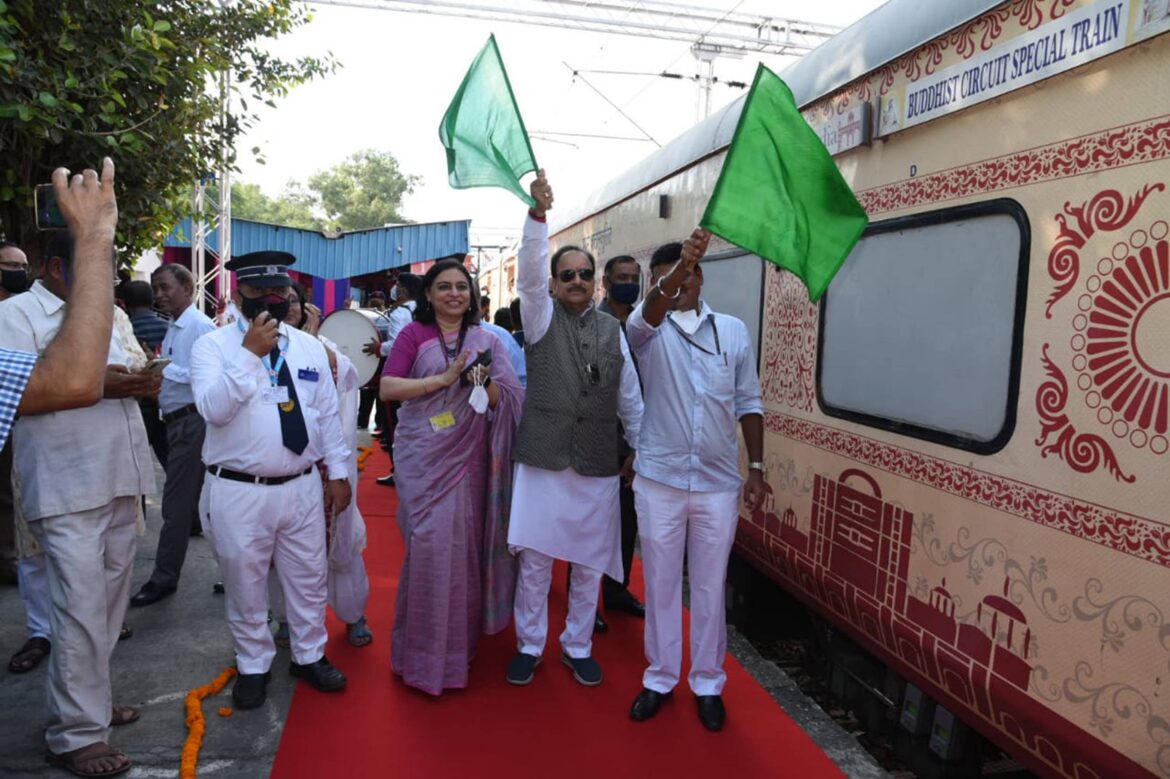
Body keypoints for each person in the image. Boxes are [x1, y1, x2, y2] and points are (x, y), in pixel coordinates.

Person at [0, 159, 159, 777]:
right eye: (94, 263)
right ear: (54, 267)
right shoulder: (13, 318)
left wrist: (144, 380)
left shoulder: (113, 313)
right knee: (78, 607)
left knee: (108, 610)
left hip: (121, 475)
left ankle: (87, 704)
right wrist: (110, 383)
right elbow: (55, 386)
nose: (105, 278)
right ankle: (74, 735)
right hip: (65, 484)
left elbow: (127, 369)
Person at [190, 251, 352, 711]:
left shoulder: (307, 347)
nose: (270, 300)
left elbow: (324, 416)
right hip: (238, 489)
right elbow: (213, 410)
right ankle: (253, 664)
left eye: (278, 293)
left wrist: (337, 473)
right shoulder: (213, 347)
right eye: (258, 293)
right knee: (245, 582)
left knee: (307, 577)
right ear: (238, 295)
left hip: (301, 485)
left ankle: (309, 654)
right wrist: (249, 355)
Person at [625, 232, 768, 732]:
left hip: (716, 486)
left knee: (709, 587)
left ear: (702, 278)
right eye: (670, 278)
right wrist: (672, 270)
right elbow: (646, 316)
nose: (681, 284)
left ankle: (707, 682)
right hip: (660, 481)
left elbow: (749, 401)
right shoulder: (647, 331)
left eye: (689, 275)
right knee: (662, 585)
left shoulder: (732, 332)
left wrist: (756, 468)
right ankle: (660, 677)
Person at [505, 171, 642, 688]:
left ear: (596, 282)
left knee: (588, 565)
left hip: (596, 463)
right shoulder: (538, 318)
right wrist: (538, 216)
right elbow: (529, 273)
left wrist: (642, 453)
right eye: (568, 275)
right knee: (537, 563)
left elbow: (631, 399)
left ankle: (578, 645)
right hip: (544, 460)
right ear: (554, 283)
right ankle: (530, 644)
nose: (578, 281)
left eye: (586, 274)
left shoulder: (613, 331)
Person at [380, 258, 524, 695]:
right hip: (425, 458)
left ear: (473, 295)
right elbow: (388, 388)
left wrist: (482, 382)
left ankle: (456, 652)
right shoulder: (412, 335)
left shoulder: (487, 339)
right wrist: (442, 380)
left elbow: (508, 400)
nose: (454, 294)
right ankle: (421, 655)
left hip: (468, 460)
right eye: (444, 287)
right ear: (428, 294)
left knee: (462, 551)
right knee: (429, 550)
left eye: (462, 287)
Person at [269, 283, 373, 648]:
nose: (289, 306)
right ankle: (285, 618)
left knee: (340, 541)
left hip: (325, 467)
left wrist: (311, 346)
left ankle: (353, 614)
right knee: (280, 552)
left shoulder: (324, 347)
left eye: (294, 300)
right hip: (279, 469)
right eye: (282, 300)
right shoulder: (252, 348)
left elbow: (347, 380)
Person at [128, 264, 217, 608]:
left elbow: (206, 375)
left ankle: (164, 579)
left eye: (165, 287)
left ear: (188, 287)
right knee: (194, 505)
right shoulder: (175, 328)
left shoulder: (199, 326)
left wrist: (162, 369)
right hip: (178, 422)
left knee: (176, 506)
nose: (160, 295)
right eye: (156, 288)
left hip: (193, 422)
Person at [596, 254, 646, 623]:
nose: (629, 282)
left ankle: (616, 590)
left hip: (634, 441)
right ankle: (586, 601)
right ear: (607, 281)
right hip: (598, 439)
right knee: (592, 524)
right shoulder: (595, 323)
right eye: (622, 277)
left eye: (634, 277)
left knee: (627, 523)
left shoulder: (647, 323)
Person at [363, 272, 423, 485]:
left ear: (404, 290)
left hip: (399, 376)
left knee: (395, 425)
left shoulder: (401, 312)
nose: (395, 288)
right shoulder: (424, 309)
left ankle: (398, 472)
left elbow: (398, 345)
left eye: (398, 284)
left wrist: (379, 348)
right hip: (420, 374)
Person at [0, 240, 30, 585]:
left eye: (23, 267)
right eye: (12, 267)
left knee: (8, 491)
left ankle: (9, 557)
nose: (21, 273)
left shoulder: (23, 310)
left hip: (16, 414)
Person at [119, 279, 170, 468]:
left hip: (137, 409)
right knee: (170, 465)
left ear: (123, 304)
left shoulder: (123, 330)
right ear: (152, 301)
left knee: (133, 466)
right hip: (164, 407)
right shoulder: (168, 327)